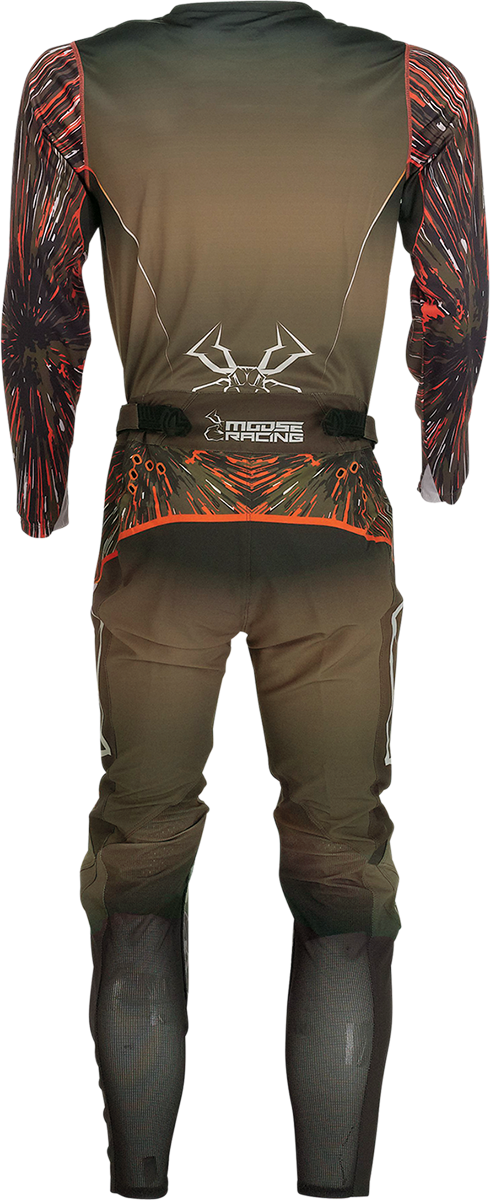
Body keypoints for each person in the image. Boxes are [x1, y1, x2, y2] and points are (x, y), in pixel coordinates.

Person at [2, 5, 488, 1196]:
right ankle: (334, 1188)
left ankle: (138, 1184)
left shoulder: (74, 86)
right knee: (339, 862)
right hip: (335, 519)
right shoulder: (419, 89)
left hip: (161, 520)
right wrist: (442, 450)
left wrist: (40, 480)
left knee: (141, 848)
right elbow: (459, 303)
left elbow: (38, 315)